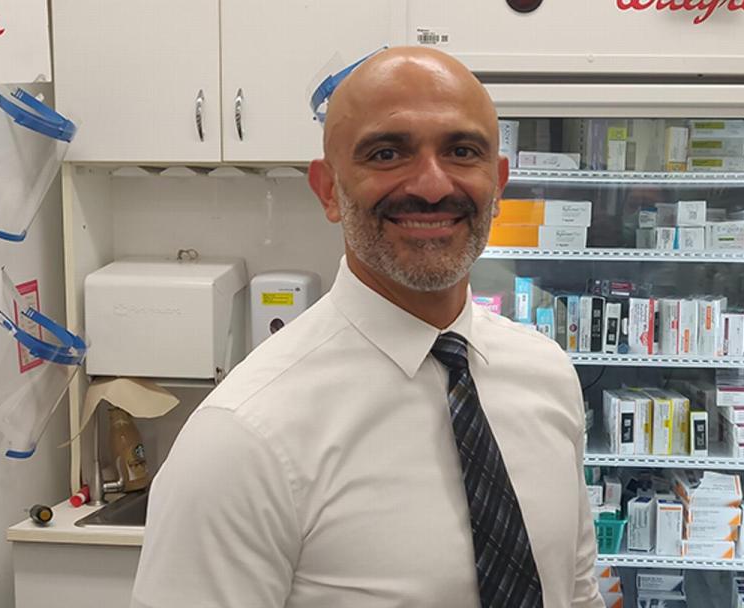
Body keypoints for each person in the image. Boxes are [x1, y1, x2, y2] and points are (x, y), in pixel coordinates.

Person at [131, 46, 602, 608]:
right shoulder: (242, 438)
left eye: (461, 151)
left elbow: (576, 593)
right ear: (328, 189)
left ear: (497, 184)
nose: (432, 186)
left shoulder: (547, 375)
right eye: (387, 153)